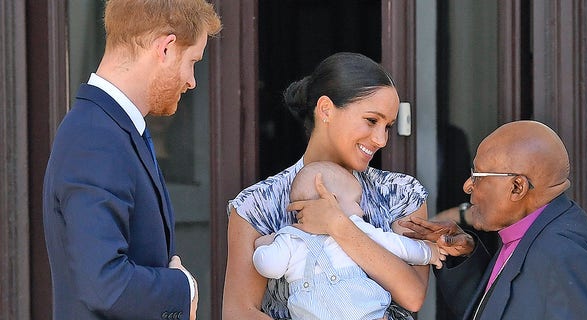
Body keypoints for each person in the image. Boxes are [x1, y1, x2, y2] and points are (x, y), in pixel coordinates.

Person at [42, 1, 221, 319]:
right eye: (192, 61)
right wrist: (183, 288)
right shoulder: (96, 137)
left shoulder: (112, 129)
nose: (192, 80)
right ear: (165, 48)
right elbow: (104, 284)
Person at [224, 52, 433, 320]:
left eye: (388, 126)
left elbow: (413, 296)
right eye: (371, 120)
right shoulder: (256, 205)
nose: (381, 139)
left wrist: (339, 225)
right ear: (325, 110)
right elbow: (238, 312)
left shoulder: (402, 194)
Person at [399, 120, 587, 319]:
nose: (467, 185)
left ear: (517, 187)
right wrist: (466, 256)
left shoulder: (562, 251)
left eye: (478, 176)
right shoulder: (531, 230)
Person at [253, 161, 446, 320]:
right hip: (364, 313)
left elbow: (270, 267)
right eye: (357, 202)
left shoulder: (290, 237)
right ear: (333, 200)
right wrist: (429, 252)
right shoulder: (356, 225)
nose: (362, 210)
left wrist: (263, 244)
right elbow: (398, 246)